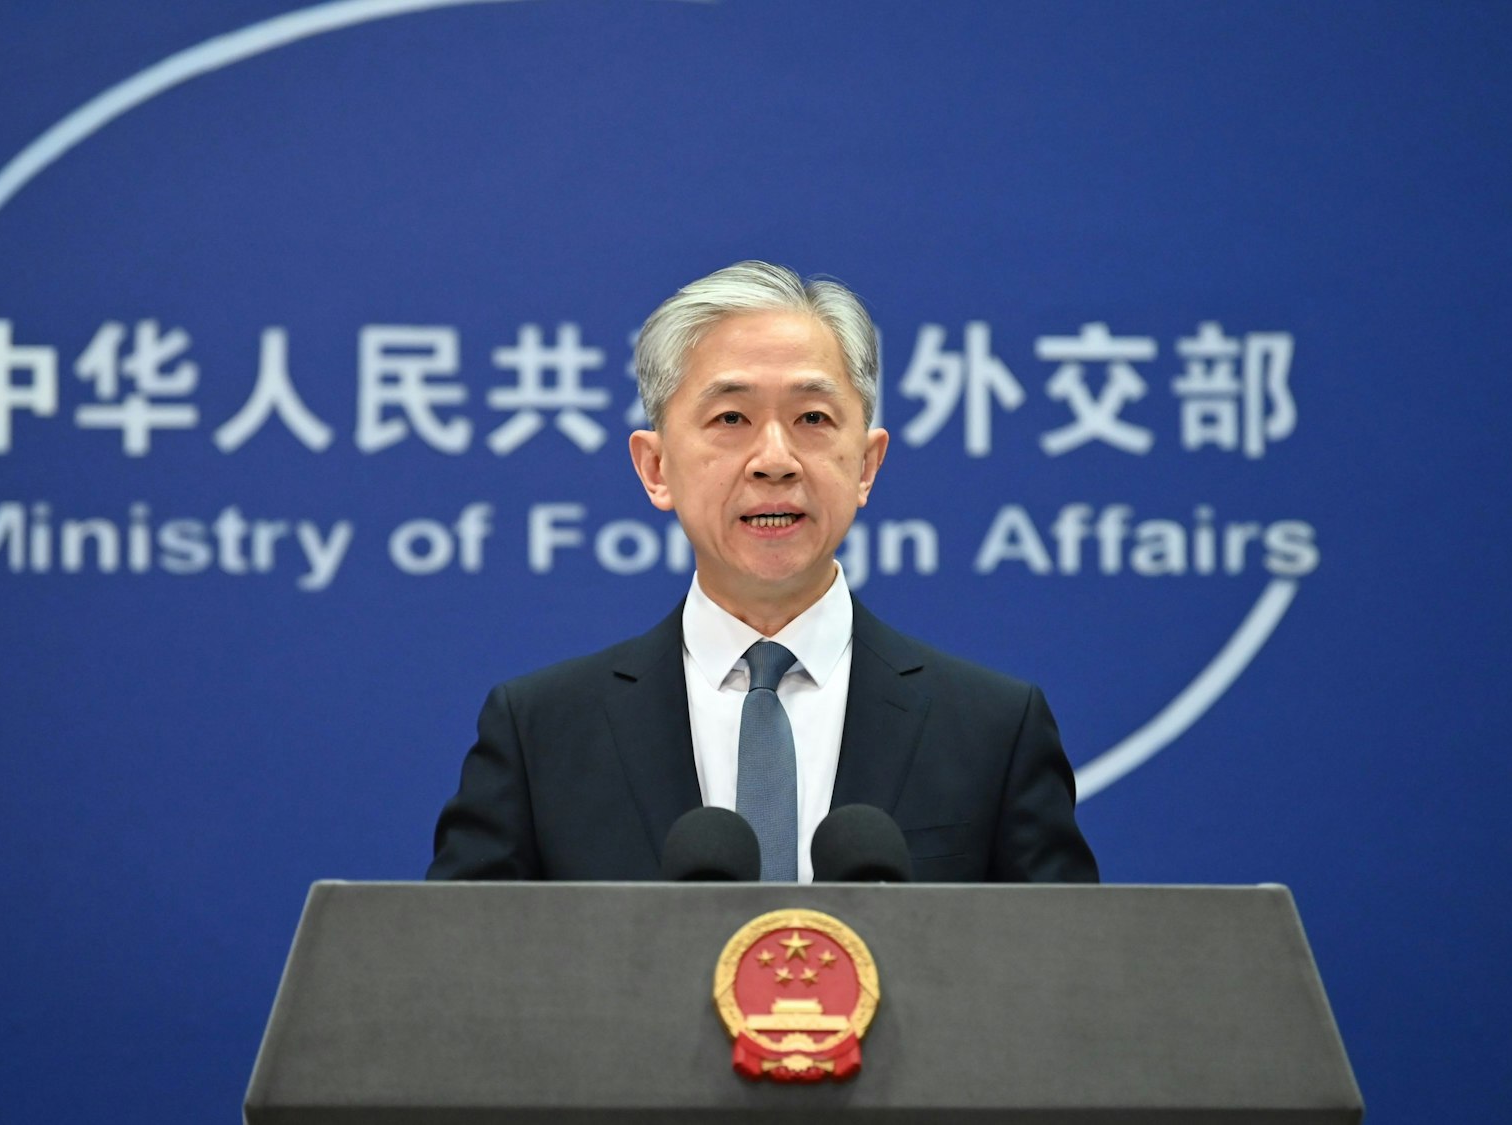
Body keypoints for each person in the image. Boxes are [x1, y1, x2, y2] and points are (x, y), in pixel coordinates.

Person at [426, 262, 1097, 882]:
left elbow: (1067, 982)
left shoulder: (991, 730)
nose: (774, 458)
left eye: (812, 417)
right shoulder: (541, 733)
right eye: (731, 418)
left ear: (866, 465)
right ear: (655, 467)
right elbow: (455, 978)